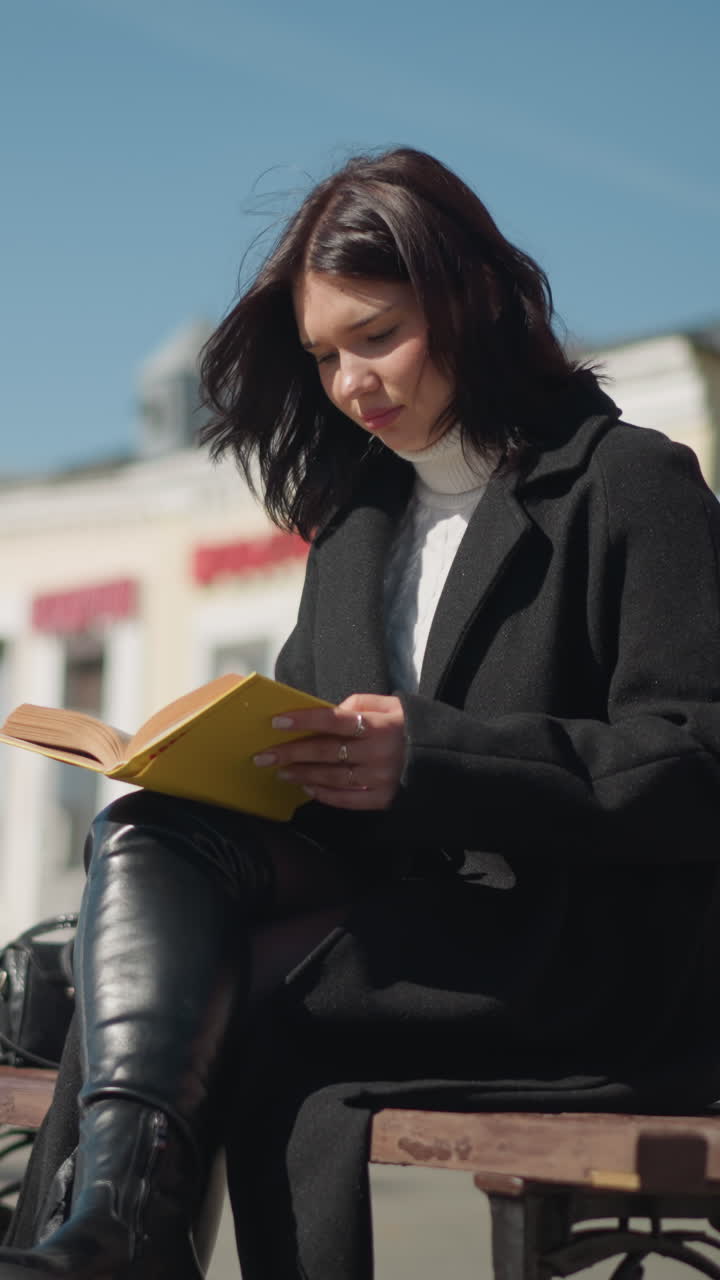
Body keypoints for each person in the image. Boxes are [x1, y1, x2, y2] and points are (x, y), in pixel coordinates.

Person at [3, 146, 720, 1280]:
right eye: (325, 355)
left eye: (376, 337)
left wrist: (426, 759)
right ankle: (114, 1237)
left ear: (473, 297)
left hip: (568, 948)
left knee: (201, 982)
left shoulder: (632, 483)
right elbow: (308, 759)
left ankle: (97, 1239)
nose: (349, 385)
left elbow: (695, 764)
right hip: (396, 924)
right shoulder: (355, 529)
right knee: (148, 832)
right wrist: (226, 769)